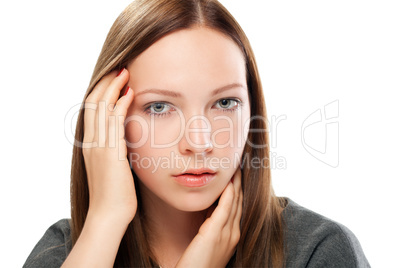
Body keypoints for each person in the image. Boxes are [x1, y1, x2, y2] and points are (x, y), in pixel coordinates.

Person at [23, 0, 370, 267]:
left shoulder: (316, 250)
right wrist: (106, 217)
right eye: (159, 107)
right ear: (109, 119)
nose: (199, 142)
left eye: (225, 102)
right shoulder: (69, 251)